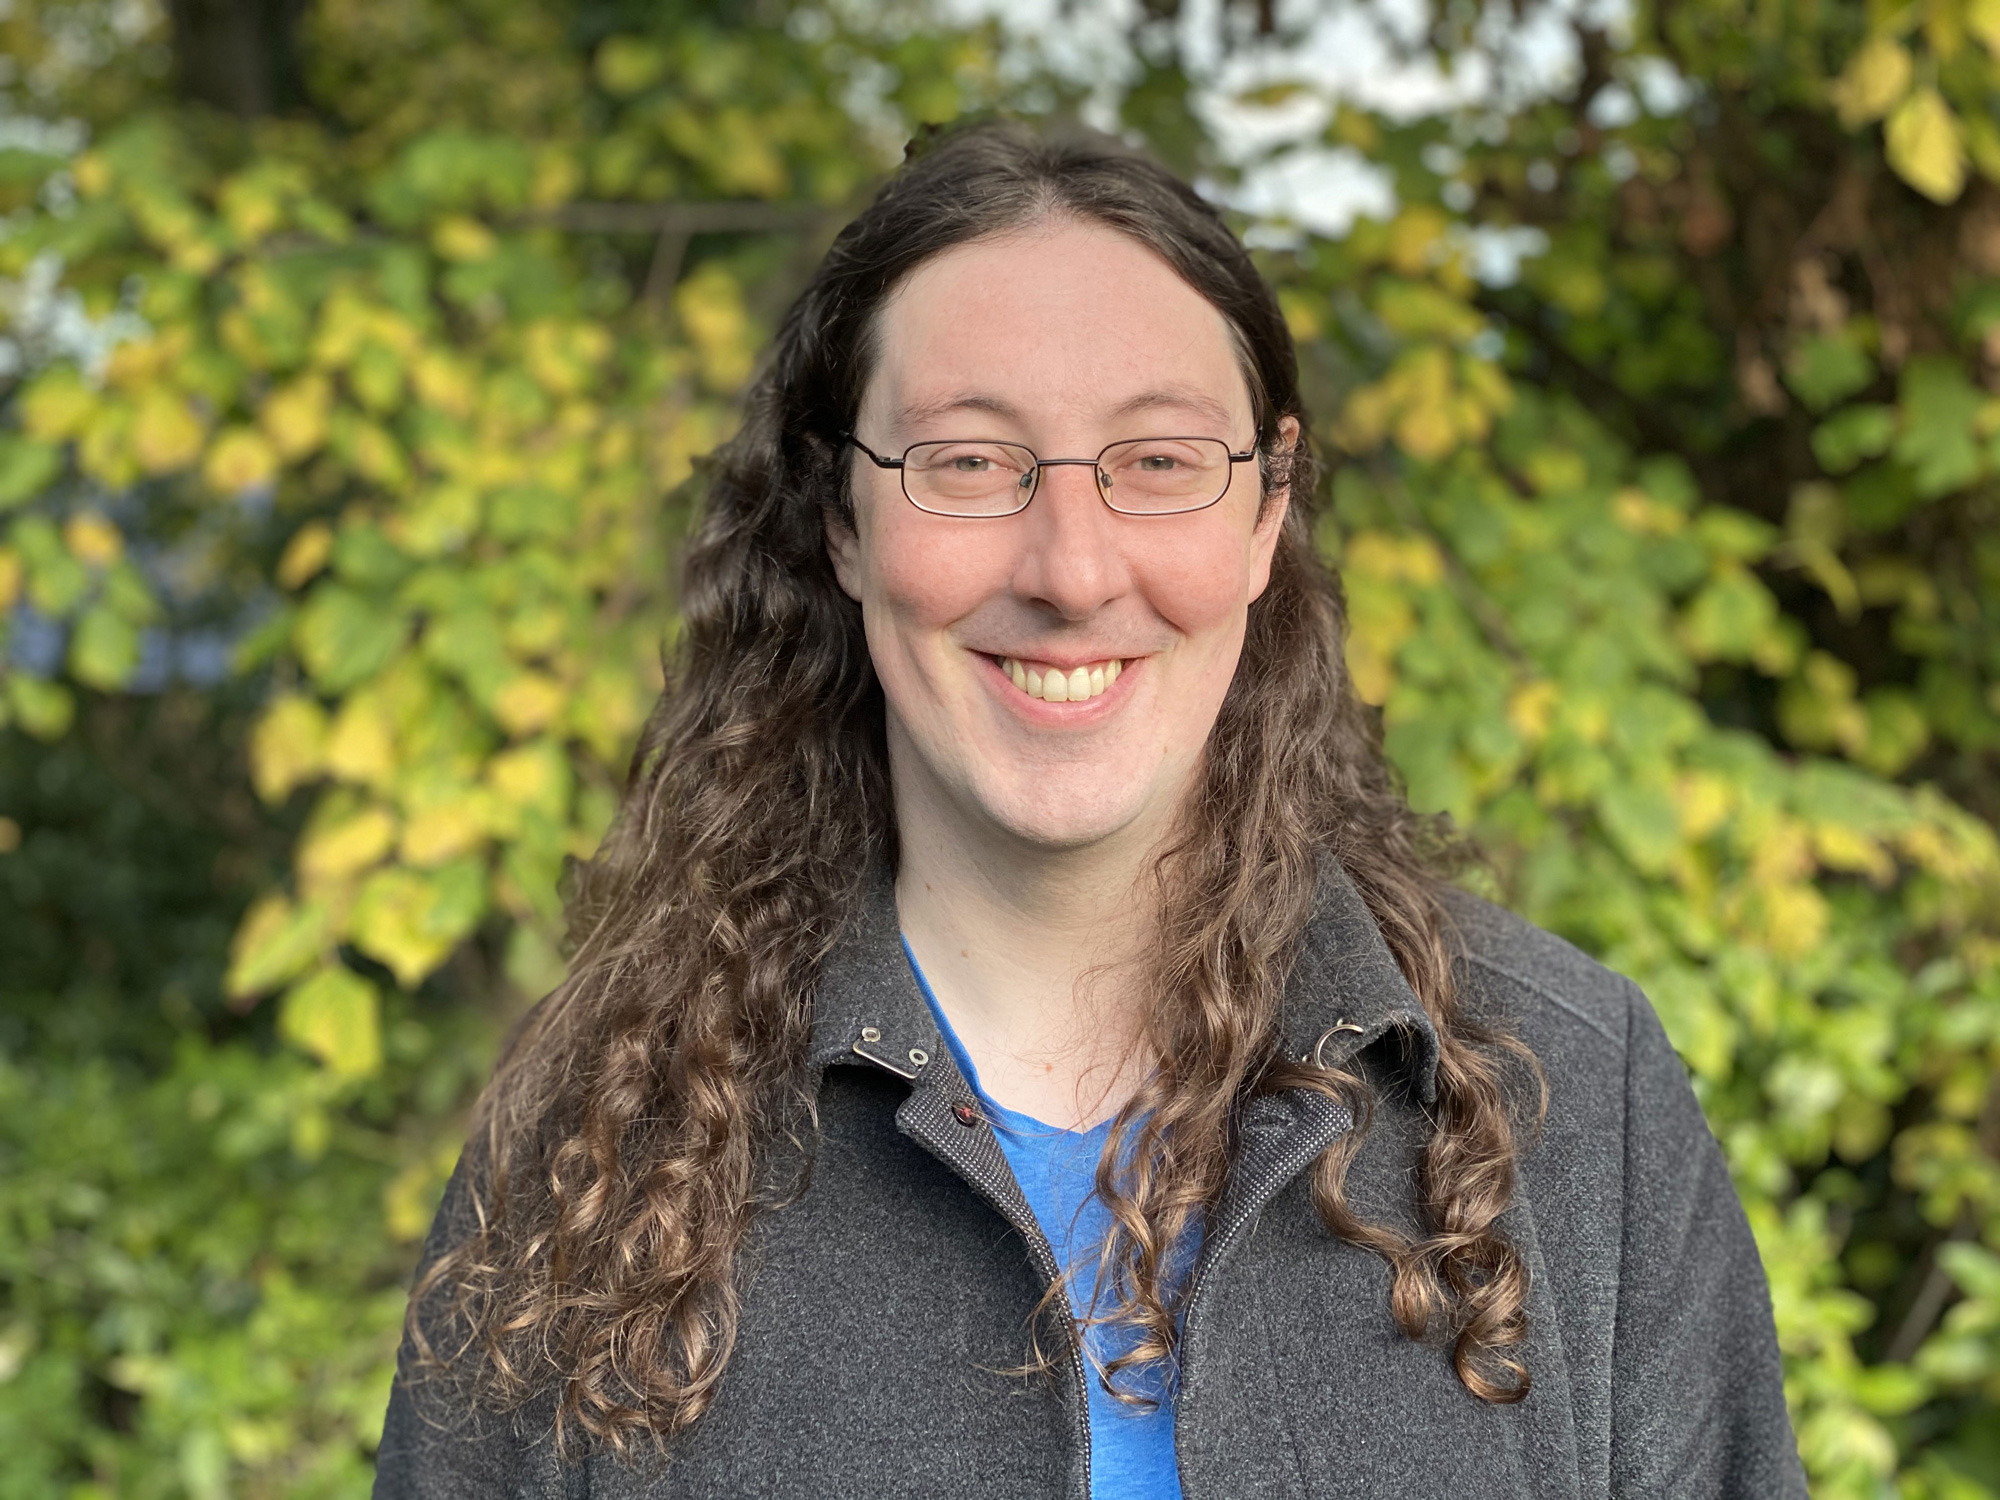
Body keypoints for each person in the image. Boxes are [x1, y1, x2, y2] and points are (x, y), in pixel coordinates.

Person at [372, 121, 1808, 1500]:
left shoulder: (1573, 1092)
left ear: (1266, 513)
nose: (1071, 568)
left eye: (1161, 461)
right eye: (970, 463)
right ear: (841, 526)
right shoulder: (603, 1138)